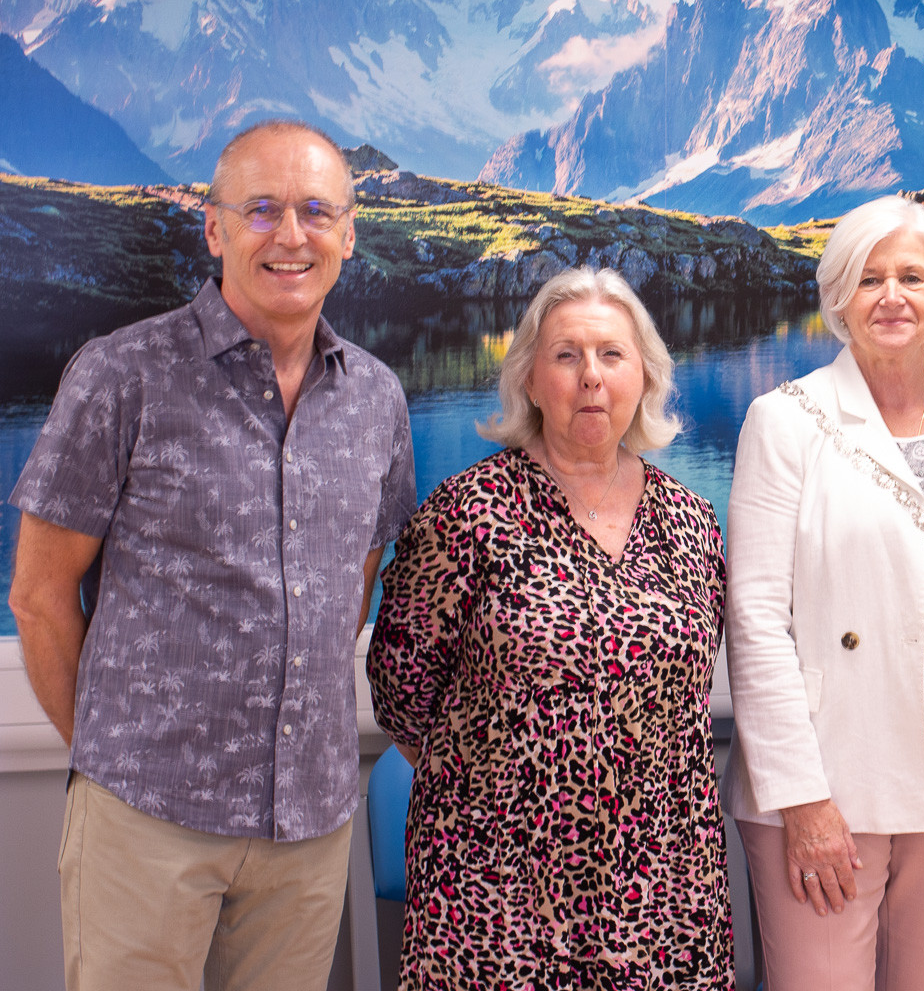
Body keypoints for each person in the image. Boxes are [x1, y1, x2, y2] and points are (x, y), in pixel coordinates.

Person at [5, 120, 415, 991]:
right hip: (145, 823)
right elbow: (40, 597)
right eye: (261, 209)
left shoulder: (378, 399)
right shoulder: (123, 375)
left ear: (349, 231)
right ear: (215, 228)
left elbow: (355, 585)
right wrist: (117, 764)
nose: (290, 236)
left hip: (307, 829)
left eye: (314, 211)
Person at [367, 267, 731, 989]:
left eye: (611, 355)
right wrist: (516, 790)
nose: (590, 377)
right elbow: (402, 696)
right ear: (531, 379)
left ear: (646, 377)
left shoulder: (691, 521)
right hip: (497, 900)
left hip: (665, 894)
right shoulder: (465, 514)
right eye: (567, 356)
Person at [724, 195, 924, 991]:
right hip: (834, 773)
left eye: (912, 276)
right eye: (869, 279)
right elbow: (755, 619)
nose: (892, 296)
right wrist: (800, 800)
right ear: (838, 298)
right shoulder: (784, 420)